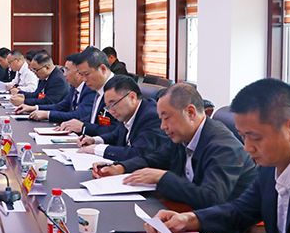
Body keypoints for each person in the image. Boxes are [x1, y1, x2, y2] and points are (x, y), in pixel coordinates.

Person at [145, 79, 290, 233]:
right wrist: (189, 219)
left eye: (255, 138)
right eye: (243, 136)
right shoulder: (271, 164)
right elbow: (240, 211)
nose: (247, 148)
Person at [95, 83, 256, 209]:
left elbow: (211, 198)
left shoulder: (222, 146)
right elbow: (155, 158)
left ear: (190, 113)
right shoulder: (183, 135)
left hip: (223, 229)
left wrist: (163, 177)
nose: (162, 126)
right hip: (187, 212)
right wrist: (121, 167)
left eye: (166, 118)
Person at [77, 75, 171, 162]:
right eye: (107, 107)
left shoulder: (152, 116)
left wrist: (96, 149)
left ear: (132, 97)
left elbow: (139, 153)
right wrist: (95, 140)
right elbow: (116, 135)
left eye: (113, 104)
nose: (110, 111)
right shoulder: (127, 113)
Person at [58, 47, 120, 136]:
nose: (84, 79)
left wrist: (84, 127)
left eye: (86, 74)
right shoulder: (98, 88)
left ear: (103, 69)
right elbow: (93, 120)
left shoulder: (118, 90)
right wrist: (73, 124)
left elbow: (118, 131)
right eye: (81, 74)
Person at [23, 53, 96, 123]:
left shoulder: (89, 89)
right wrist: (35, 108)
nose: (64, 74)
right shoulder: (74, 87)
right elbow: (61, 106)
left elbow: (78, 115)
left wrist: (47, 114)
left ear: (79, 72)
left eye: (67, 70)